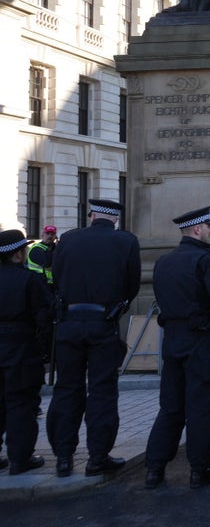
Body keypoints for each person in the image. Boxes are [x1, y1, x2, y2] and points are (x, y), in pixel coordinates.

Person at [143, 207, 210, 489]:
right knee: (201, 407)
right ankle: (200, 469)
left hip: (173, 339)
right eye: (208, 227)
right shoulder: (206, 260)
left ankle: (154, 468)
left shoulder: (164, 261)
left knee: (170, 407)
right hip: (200, 340)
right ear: (197, 229)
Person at [46, 198, 140, 478]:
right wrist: (116, 307)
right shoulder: (125, 241)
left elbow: (56, 277)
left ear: (92, 216)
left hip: (69, 322)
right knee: (102, 390)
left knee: (67, 389)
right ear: (115, 220)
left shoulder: (69, 239)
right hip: (102, 322)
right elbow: (132, 284)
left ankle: (64, 457)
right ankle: (97, 457)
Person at [0, 230, 54, 474]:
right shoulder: (30, 280)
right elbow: (44, 318)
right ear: (19, 254)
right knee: (21, 404)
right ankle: (20, 458)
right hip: (21, 348)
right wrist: (44, 350)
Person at [25, 225, 57, 289]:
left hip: (53, 285)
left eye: (52, 234)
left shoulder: (56, 248)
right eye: (47, 234)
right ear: (42, 235)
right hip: (39, 284)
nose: (50, 236)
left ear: (55, 237)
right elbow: (47, 262)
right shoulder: (36, 249)